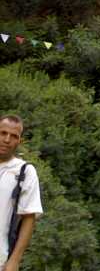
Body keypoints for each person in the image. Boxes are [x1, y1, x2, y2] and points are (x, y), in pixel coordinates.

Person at [0, 115, 43, 271]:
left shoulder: (25, 171)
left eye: (13, 136)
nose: (6, 139)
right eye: (3, 133)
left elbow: (29, 217)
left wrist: (14, 261)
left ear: (19, 141)